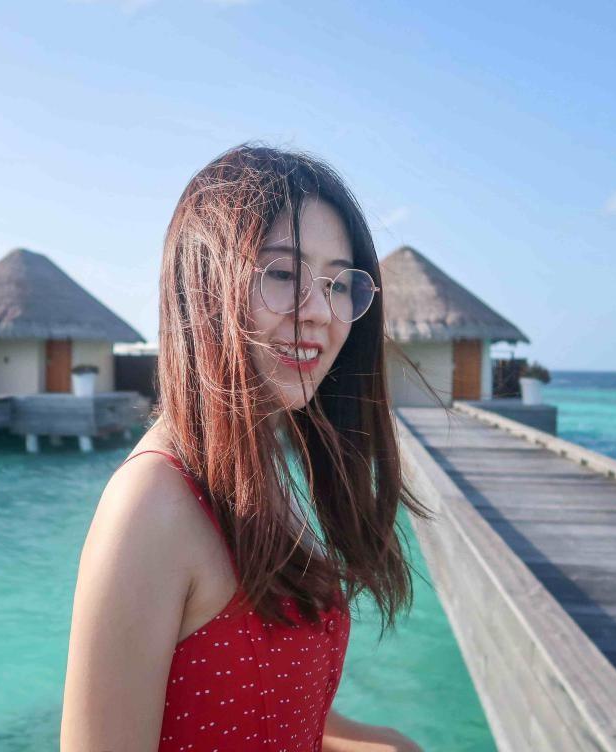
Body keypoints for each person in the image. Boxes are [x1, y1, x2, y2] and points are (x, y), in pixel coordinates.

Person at [61, 144, 438, 751]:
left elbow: (258, 707)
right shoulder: (151, 504)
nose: (319, 312)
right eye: (284, 274)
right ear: (205, 286)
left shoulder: (256, 474)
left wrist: (383, 744)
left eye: (341, 284)